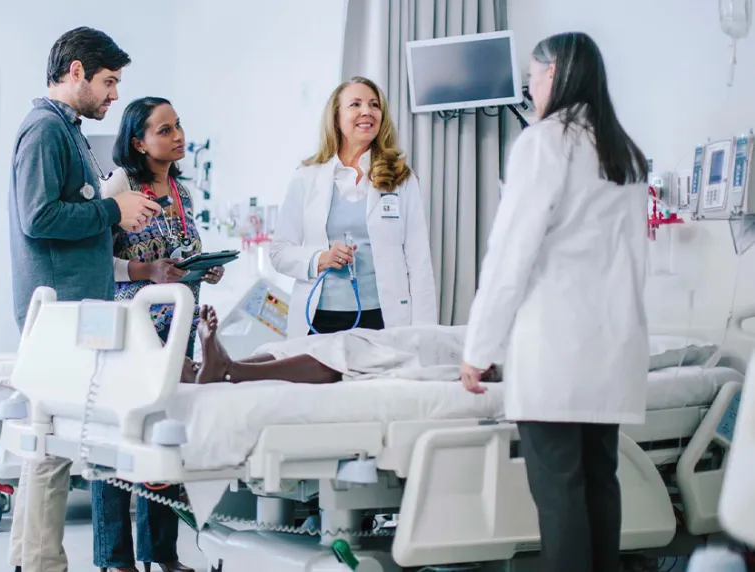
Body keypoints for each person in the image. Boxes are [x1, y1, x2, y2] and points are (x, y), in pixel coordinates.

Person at [458, 32, 650, 572]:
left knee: (561, 494)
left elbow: (509, 254)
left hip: (556, 352)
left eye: (532, 76)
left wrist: (480, 347)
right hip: (612, 347)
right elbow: (635, 262)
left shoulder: (544, 142)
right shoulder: (623, 152)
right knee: (598, 487)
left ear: (555, 73)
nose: (530, 87)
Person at [6, 27, 162, 572]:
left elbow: (74, 212)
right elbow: (39, 217)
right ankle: (43, 563)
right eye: (108, 82)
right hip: (58, 313)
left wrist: (113, 214)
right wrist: (112, 211)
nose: (114, 95)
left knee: (48, 445)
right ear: (76, 71)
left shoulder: (65, 131)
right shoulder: (45, 131)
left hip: (74, 309)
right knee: (51, 446)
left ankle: (31, 559)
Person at [92, 97, 218, 572]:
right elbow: (98, 262)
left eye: (178, 125)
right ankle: (115, 557)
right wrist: (149, 269)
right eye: (164, 130)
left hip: (176, 327)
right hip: (132, 329)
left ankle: (160, 553)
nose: (177, 135)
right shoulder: (120, 184)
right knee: (119, 436)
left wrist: (200, 268)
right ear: (139, 142)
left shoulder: (183, 190)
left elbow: (180, 250)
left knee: (164, 438)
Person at [270, 76, 437, 339]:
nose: (367, 111)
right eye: (355, 104)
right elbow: (279, 252)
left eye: (374, 105)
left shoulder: (400, 177)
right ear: (336, 117)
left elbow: (419, 262)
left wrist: (426, 334)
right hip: (319, 319)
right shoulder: (307, 176)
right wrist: (319, 258)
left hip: (383, 317)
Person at [185, 306, 500, 385]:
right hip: (455, 337)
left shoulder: (530, 349)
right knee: (314, 342)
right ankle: (215, 367)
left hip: (458, 346)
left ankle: (230, 369)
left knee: (350, 347)